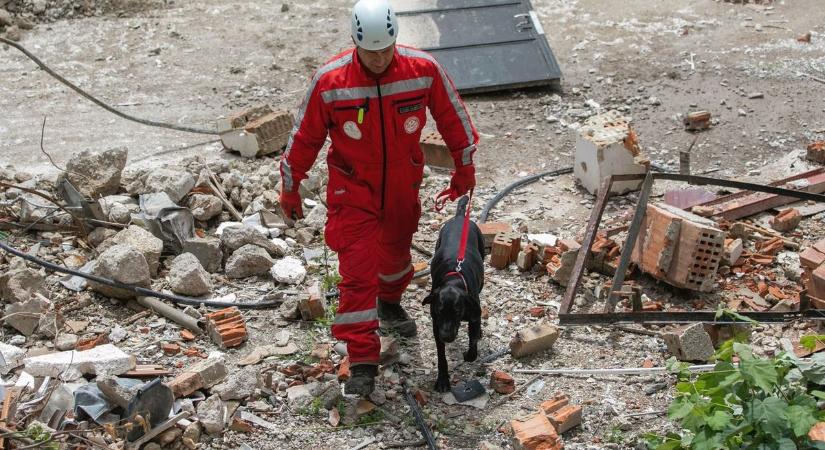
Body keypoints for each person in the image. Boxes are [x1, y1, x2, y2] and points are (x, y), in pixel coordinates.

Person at [279, 0, 479, 396]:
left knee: (394, 260)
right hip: (351, 191)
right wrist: (290, 184)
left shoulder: (422, 70)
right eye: (370, 52)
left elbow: (452, 116)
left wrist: (464, 166)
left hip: (402, 188)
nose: (379, 58)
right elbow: (304, 137)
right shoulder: (330, 82)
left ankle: (389, 302)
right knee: (357, 275)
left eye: (385, 49)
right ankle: (363, 361)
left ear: (394, 40)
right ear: (355, 43)